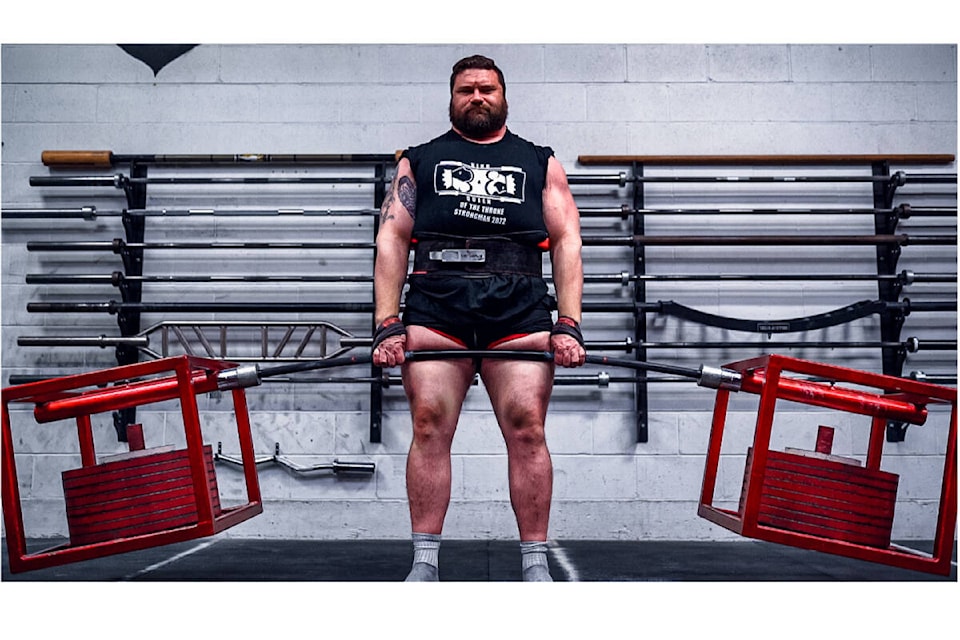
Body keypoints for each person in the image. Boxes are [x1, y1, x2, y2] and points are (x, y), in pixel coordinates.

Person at [372, 54, 585, 582]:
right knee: (428, 426)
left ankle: (534, 563)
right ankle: (424, 564)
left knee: (527, 429)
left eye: (486, 88)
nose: (477, 97)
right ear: (451, 98)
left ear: (504, 96)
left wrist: (569, 323)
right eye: (466, 90)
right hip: (436, 303)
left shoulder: (540, 160)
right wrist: (386, 323)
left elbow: (566, 240)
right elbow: (392, 238)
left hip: (518, 304)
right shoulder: (419, 161)